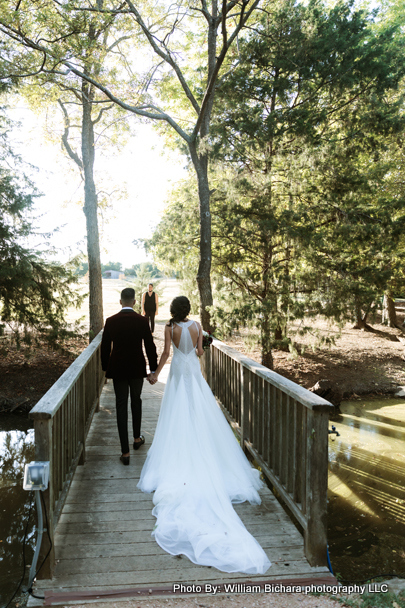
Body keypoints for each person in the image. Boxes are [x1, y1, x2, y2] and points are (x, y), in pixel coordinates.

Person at [138, 296, 271, 574]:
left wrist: (155, 374)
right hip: (193, 373)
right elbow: (199, 353)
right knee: (198, 409)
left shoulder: (169, 327)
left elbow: (165, 354)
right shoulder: (197, 326)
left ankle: (180, 450)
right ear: (189, 310)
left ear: (174, 310)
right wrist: (204, 342)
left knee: (176, 410)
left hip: (176, 372)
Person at [101, 287, 158, 466]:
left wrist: (105, 369)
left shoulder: (111, 321)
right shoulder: (142, 321)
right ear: (134, 302)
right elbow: (150, 346)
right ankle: (136, 439)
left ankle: (125, 453)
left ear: (120, 302)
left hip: (117, 369)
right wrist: (153, 369)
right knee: (136, 401)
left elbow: (104, 348)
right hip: (136, 368)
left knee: (120, 406)